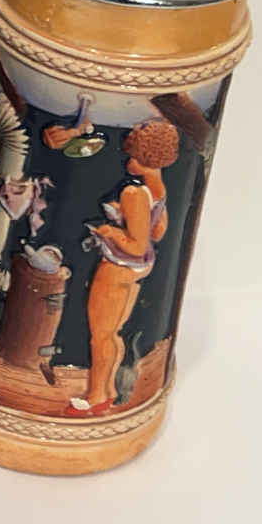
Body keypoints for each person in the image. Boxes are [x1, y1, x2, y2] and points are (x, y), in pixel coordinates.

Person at [68, 119, 177, 416]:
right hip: (139, 269)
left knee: (100, 336)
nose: (128, 162)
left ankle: (95, 397)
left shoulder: (133, 193)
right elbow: (158, 232)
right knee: (113, 333)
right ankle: (109, 391)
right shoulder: (158, 188)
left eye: (133, 156)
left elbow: (136, 245)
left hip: (117, 267)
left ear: (143, 156)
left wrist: (109, 230)